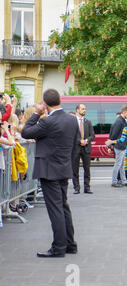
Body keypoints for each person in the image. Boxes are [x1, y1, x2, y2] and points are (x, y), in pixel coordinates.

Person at [21, 89, 79, 258]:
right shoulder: (72, 120)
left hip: (48, 169)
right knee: (63, 206)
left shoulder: (48, 122)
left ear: (45, 104)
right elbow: (75, 145)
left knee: (55, 209)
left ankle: (59, 247)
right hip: (63, 167)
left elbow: (26, 132)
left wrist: (36, 114)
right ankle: (70, 244)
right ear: (59, 100)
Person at [72, 104, 95, 194]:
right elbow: (71, 134)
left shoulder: (88, 122)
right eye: (82, 109)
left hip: (86, 148)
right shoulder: (73, 122)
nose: (84, 110)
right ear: (77, 110)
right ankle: (76, 188)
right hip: (76, 148)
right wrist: (79, 141)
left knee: (87, 169)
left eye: (85, 109)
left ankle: (87, 187)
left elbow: (92, 135)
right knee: (75, 169)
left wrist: (86, 140)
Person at [108, 105, 127, 187]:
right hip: (119, 145)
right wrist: (111, 144)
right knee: (118, 164)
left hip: (121, 145)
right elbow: (114, 134)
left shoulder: (122, 120)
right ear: (125, 112)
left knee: (121, 164)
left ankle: (124, 181)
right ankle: (114, 182)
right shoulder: (120, 121)